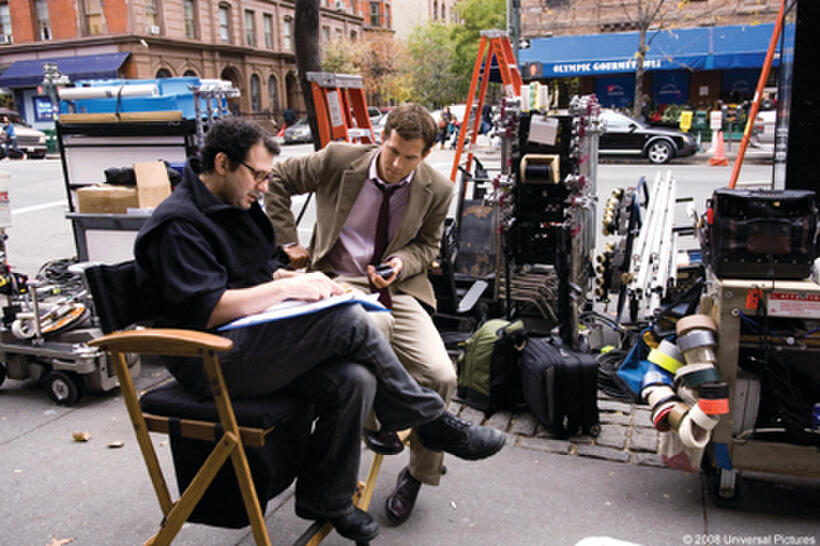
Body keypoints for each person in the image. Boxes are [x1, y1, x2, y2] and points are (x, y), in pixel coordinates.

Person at [134, 118, 504, 543]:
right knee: (348, 321)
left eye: (267, 177)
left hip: (244, 341)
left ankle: (326, 498)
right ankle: (431, 420)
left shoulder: (233, 203)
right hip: (208, 360)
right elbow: (208, 308)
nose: (264, 187)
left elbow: (257, 272)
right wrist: (287, 287)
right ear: (222, 164)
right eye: (258, 176)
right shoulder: (178, 224)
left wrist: (298, 282)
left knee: (355, 378)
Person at [264, 103, 457, 525]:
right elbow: (276, 178)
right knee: (374, 324)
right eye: (392, 151)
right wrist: (286, 240)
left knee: (441, 375)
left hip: (398, 288)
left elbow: (428, 246)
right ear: (382, 138)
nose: (396, 164)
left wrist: (402, 263)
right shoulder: (339, 159)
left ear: (425, 155)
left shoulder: (438, 188)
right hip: (338, 280)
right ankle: (378, 422)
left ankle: (417, 474)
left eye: (409, 157)